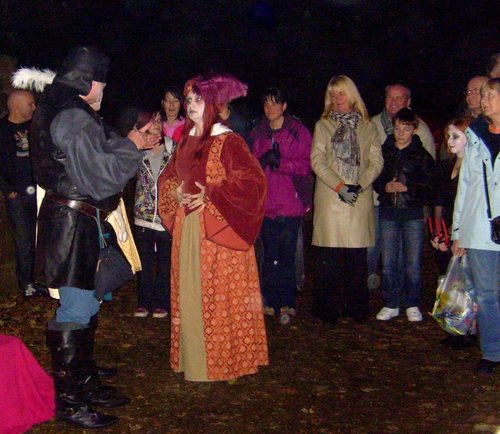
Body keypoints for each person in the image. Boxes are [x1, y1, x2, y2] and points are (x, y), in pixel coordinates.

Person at [26, 46, 158, 428]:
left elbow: (94, 157)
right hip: (73, 223)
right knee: (77, 306)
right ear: (87, 81)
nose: (103, 88)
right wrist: (132, 146)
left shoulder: (71, 111)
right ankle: (70, 401)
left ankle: (85, 380)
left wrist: (130, 142)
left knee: (90, 299)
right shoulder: (72, 116)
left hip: (80, 219)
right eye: (100, 81)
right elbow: (98, 175)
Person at [157, 74, 268, 382]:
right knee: (192, 294)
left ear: (212, 105)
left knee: (221, 297)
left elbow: (253, 183)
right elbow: (168, 176)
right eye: (188, 100)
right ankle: (196, 361)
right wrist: (174, 191)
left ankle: (229, 363)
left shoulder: (229, 141)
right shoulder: (185, 140)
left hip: (218, 230)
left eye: (198, 100)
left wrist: (212, 192)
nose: (191, 106)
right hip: (188, 227)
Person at [310, 75, 383, 325]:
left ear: (352, 95)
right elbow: (317, 160)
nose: (336, 99)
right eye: (332, 95)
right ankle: (327, 310)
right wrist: (340, 186)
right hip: (332, 199)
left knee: (355, 259)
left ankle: (357, 308)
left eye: (341, 94)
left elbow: (376, 161)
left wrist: (359, 185)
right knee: (329, 260)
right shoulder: (323, 126)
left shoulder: (368, 127)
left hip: (357, 199)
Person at [250, 87, 312, 325]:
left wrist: (282, 163)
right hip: (266, 204)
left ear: (284, 106)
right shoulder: (259, 132)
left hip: (289, 204)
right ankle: (268, 300)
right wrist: (262, 161)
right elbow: (250, 166)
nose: (270, 109)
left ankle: (286, 301)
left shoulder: (297, 131)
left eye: (275, 104)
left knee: (286, 255)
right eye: (266, 104)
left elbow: (306, 165)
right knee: (268, 254)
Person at [452, 78, 500, 374]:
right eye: (484, 95)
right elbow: (466, 185)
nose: (485, 100)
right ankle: (492, 352)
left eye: (492, 95)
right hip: (481, 227)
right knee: (486, 293)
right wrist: (458, 230)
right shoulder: (475, 134)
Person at [369, 82, 435, 291]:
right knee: (377, 251)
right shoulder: (371, 125)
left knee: (407, 256)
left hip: (409, 206)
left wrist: (411, 190)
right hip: (377, 202)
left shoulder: (421, 130)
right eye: (390, 97)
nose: (394, 102)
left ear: (408, 102)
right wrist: (381, 186)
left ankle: (407, 296)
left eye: (399, 98)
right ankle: (381, 293)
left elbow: (428, 173)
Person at [374, 108, 434, 322]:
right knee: (389, 261)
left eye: (406, 128)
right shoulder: (385, 150)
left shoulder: (421, 154)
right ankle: (391, 302)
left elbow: (429, 185)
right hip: (389, 212)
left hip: (412, 214)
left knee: (413, 262)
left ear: (414, 129)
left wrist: (409, 189)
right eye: (397, 128)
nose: (401, 133)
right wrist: (384, 187)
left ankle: (412, 302)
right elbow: (375, 176)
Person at [133, 111, 174, 319]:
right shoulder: (138, 148)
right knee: (145, 262)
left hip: (167, 216)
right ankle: (144, 301)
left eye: (159, 121)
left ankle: (161, 302)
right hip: (144, 214)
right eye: (152, 121)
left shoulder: (173, 148)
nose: (156, 124)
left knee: (165, 263)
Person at [0, 90, 38, 297]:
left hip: (39, 192)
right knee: (23, 241)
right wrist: (8, 190)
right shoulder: (2, 130)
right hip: (17, 196)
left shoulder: (36, 126)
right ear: (16, 106)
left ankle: (40, 279)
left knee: (40, 238)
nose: (34, 108)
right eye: (30, 104)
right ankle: (27, 283)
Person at [431, 116, 474, 275]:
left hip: (465, 231)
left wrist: (453, 233)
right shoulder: (445, 165)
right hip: (446, 228)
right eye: (448, 136)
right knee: (446, 276)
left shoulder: (474, 168)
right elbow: (438, 198)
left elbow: (470, 204)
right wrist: (437, 231)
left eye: (456, 136)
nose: (450, 141)